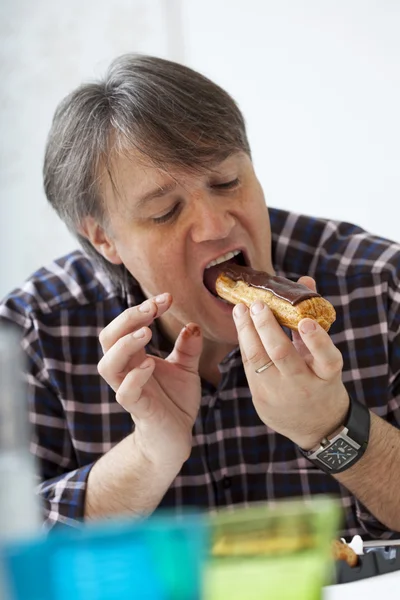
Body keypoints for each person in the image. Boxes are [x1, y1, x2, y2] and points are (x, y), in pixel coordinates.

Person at [1, 54, 399, 539]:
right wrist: (148, 454)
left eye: (226, 182)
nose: (215, 225)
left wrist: (332, 427)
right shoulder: (33, 333)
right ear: (103, 238)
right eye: (165, 211)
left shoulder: (379, 285)